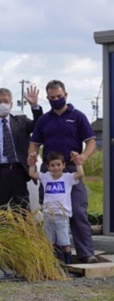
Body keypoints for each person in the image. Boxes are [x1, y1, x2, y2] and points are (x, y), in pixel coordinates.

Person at [29, 80, 97, 264]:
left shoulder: (77, 116)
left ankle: (86, 253)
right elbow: (34, 143)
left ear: (66, 95)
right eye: (52, 98)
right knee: (51, 213)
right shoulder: (44, 120)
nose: (56, 100)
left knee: (77, 210)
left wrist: (83, 157)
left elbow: (91, 141)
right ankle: (56, 256)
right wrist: (32, 157)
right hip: (49, 172)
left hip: (70, 170)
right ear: (48, 98)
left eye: (59, 96)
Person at [0, 86, 42, 210]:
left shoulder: (21, 121)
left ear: (11, 104)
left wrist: (34, 106)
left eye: (5, 101)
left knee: (21, 211)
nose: (2, 105)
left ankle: (21, 229)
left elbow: (39, 125)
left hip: (18, 172)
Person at [28, 151, 85, 265]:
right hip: (48, 214)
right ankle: (51, 262)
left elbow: (80, 174)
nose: (56, 168)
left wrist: (78, 163)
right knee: (49, 240)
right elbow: (32, 174)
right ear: (48, 167)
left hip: (61, 214)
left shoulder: (67, 178)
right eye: (52, 165)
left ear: (63, 165)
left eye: (58, 165)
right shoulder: (46, 177)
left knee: (64, 240)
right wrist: (32, 163)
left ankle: (67, 263)